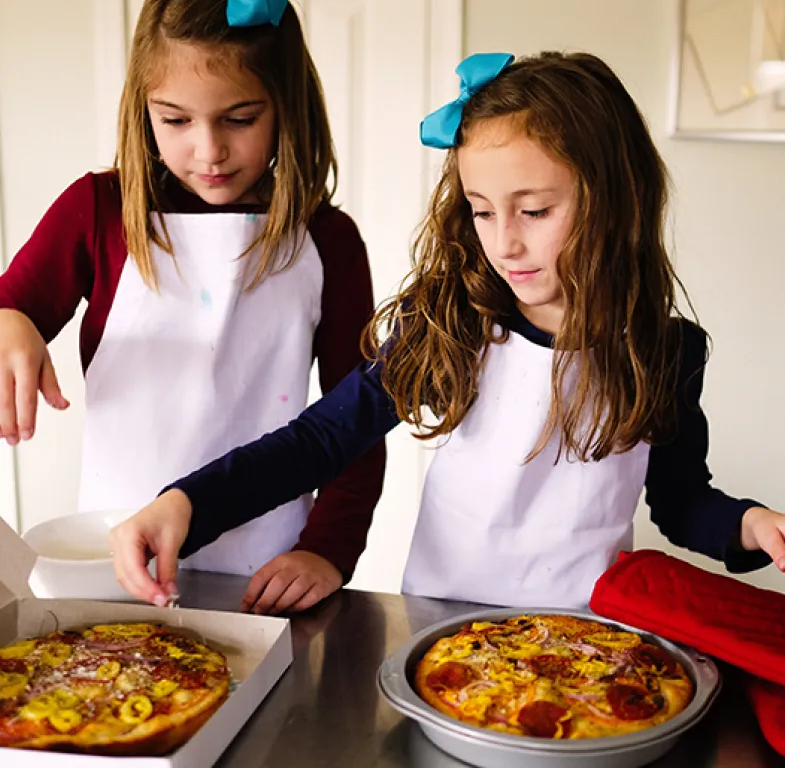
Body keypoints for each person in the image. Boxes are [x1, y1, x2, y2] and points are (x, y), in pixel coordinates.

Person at [110, 50, 785, 611]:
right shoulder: (451, 325)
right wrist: (185, 503)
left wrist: (753, 524)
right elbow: (317, 441)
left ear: (617, 200)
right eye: (482, 211)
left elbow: (680, 500)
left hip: (588, 646)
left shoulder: (664, 352)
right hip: (443, 638)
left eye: (535, 210)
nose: (504, 244)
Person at [0, 0, 385, 614]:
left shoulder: (328, 241)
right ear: (141, 108)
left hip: (264, 567)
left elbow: (358, 418)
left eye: (239, 118)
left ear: (287, 106)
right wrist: (11, 321)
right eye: (175, 120)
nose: (208, 151)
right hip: (115, 558)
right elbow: (14, 306)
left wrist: (329, 549)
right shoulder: (95, 212)